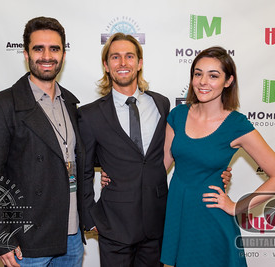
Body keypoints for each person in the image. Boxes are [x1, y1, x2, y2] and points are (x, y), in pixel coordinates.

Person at [78, 33, 231, 267]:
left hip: (158, 223)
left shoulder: (162, 104)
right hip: (114, 224)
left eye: (129, 56)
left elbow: (180, 150)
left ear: (139, 63)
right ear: (106, 66)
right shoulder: (89, 115)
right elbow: (85, 169)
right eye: (115, 57)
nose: (123, 63)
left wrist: (215, 170)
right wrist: (90, 217)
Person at [160, 46, 275, 267]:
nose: (203, 81)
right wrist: (117, 176)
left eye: (213, 75)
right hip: (178, 212)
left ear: (228, 81)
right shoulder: (177, 115)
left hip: (211, 218)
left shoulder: (236, 125)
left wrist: (236, 206)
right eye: (198, 73)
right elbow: (159, 167)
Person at [0, 17, 85, 267]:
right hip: (27, 241)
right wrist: (0, 237)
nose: (47, 56)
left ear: (63, 55)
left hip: (72, 237)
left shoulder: (70, 103)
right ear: (26, 54)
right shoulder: (3, 105)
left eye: (54, 48)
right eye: (39, 48)